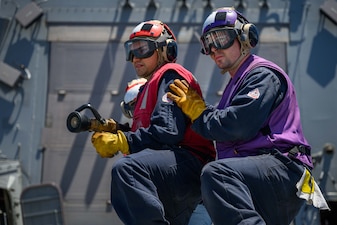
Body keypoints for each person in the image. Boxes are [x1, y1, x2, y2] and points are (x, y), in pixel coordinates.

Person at [168, 7, 328, 225]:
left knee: (217, 174)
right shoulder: (238, 82)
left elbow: (237, 125)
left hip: (282, 168)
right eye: (208, 43)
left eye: (221, 38)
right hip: (259, 173)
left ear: (245, 37)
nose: (214, 48)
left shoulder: (261, 75)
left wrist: (199, 112)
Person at [91, 20, 216, 225]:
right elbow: (152, 131)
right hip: (174, 170)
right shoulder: (150, 85)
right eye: (131, 51)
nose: (135, 58)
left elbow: (168, 131)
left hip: (189, 163)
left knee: (126, 169)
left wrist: (124, 140)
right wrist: (119, 129)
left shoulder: (169, 75)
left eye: (143, 49)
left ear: (164, 50)